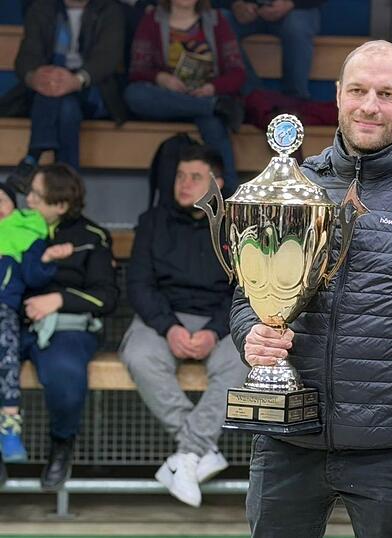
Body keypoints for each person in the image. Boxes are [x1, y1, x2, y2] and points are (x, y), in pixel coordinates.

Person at [230, 40, 392, 537]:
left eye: (387, 94)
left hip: (391, 456)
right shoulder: (291, 187)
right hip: (287, 442)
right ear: (337, 96)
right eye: (358, 90)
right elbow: (248, 296)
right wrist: (250, 333)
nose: (369, 106)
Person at [120, 145, 248, 507]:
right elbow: (139, 285)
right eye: (180, 176)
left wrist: (213, 331)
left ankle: (185, 457)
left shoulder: (237, 223)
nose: (185, 184)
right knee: (139, 355)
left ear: (218, 183)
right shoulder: (153, 221)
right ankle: (197, 452)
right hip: (163, 317)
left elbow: (246, 289)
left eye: (195, 177)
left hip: (220, 321)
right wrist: (170, 327)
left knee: (241, 361)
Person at [20, 164, 118, 491]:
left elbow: (107, 298)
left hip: (68, 326)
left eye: (36, 195)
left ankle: (62, 443)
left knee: (64, 374)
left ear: (60, 205)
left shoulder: (92, 237)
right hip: (14, 323)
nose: (28, 200)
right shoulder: (15, 228)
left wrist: (58, 299)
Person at [0, 0, 127, 193]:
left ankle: (32, 157)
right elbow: (27, 55)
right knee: (65, 106)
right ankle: (68, 190)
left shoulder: (110, 10)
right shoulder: (42, 7)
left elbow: (107, 58)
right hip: (49, 88)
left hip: (93, 88)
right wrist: (35, 77)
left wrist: (77, 80)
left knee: (58, 98)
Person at [125, 0, 246, 194]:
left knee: (213, 124)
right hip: (167, 101)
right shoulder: (152, 20)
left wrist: (212, 87)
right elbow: (137, 71)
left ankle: (229, 194)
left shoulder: (216, 21)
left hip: (204, 96)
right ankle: (212, 105)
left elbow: (237, 73)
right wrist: (161, 78)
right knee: (135, 94)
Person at [0, 183, 72, 484]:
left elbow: (33, 275)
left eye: (1, 200)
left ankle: (9, 422)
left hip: (3, 309)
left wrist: (47, 259)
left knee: (6, 348)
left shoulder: (27, 232)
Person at [217, 0, 322, 99]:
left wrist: (290, 3)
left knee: (297, 27)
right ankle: (254, 97)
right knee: (219, 21)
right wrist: (235, 4)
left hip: (295, 9)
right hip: (246, 10)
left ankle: (295, 101)